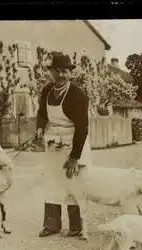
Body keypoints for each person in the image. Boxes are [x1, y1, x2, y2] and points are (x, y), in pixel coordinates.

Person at [34, 54, 92, 238]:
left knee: (73, 182)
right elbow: (42, 113)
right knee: (52, 182)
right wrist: (40, 129)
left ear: (70, 73)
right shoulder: (46, 91)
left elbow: (82, 128)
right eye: (56, 71)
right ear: (51, 72)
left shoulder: (78, 95)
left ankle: (76, 226)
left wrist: (75, 157)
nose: (60, 75)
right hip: (53, 142)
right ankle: (52, 225)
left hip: (74, 142)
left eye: (64, 71)